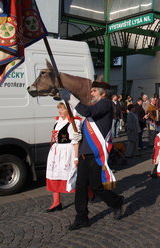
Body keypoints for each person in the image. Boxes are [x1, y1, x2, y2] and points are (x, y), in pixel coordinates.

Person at [60, 81, 124, 230]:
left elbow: (87, 112)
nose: (91, 93)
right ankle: (81, 217)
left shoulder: (106, 104)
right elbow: (86, 119)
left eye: (94, 91)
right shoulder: (95, 107)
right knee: (81, 187)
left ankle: (116, 202)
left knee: (96, 187)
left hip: (96, 153)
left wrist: (70, 97)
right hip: (84, 152)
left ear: (103, 93)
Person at [45, 102, 82, 212]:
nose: (60, 111)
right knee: (54, 175)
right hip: (56, 152)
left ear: (68, 110)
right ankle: (56, 203)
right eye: (59, 108)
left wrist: (76, 158)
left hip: (67, 152)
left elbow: (76, 142)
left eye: (62, 109)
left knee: (72, 177)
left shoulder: (73, 123)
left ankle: (87, 195)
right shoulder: (58, 121)